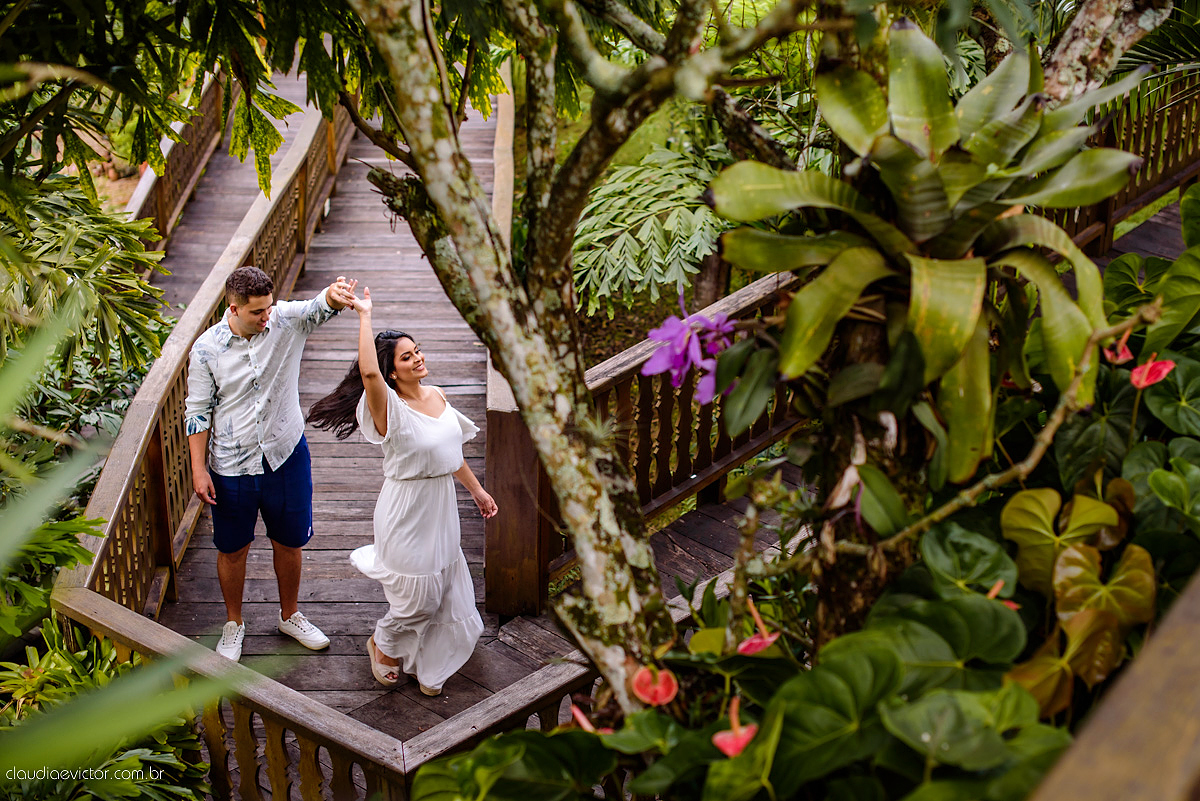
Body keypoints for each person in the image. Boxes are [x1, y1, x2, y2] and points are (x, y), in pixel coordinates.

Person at [307, 286, 495, 696]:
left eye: (418, 351)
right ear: (392, 371)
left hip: (441, 504)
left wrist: (477, 492)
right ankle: (384, 643)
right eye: (406, 357)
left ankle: (425, 658)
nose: (418, 358)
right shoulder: (387, 406)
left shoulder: (438, 395)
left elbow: (451, 453)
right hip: (406, 508)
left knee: (442, 587)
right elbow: (369, 373)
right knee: (417, 597)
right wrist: (364, 316)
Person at [184, 266, 357, 662]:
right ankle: (233, 623)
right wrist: (198, 469)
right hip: (231, 464)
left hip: (285, 454)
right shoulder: (207, 350)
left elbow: (317, 308)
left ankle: (290, 614)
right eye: (257, 312)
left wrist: (334, 294)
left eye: (268, 308)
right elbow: (197, 412)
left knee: (289, 540)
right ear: (234, 308)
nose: (267, 318)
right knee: (232, 548)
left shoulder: (282, 320)